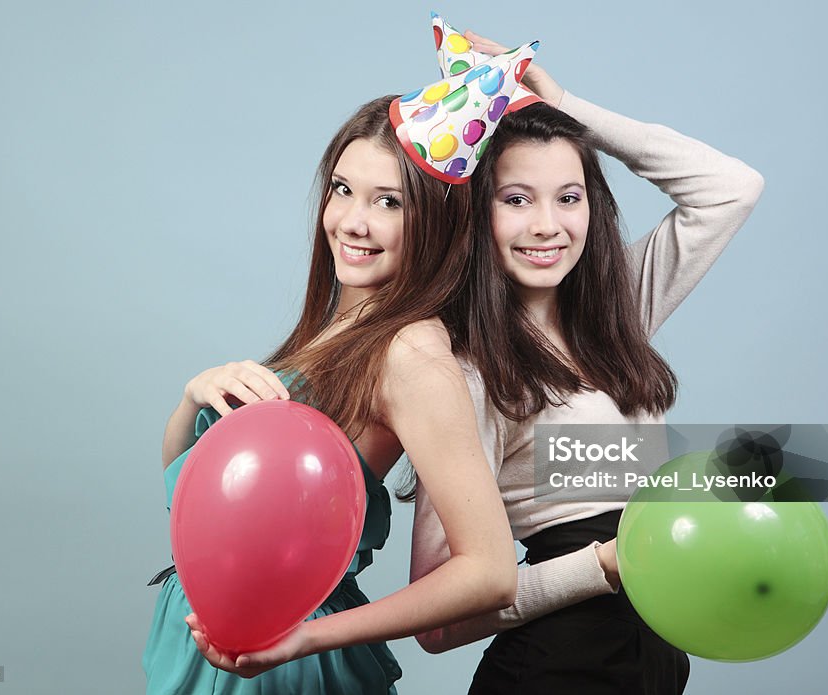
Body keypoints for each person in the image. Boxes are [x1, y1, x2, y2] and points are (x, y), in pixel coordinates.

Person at [410, 31, 765, 695]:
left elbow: (731, 189)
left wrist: (568, 108)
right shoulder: (461, 371)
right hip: (555, 669)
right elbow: (436, 616)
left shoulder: (618, 308)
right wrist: (602, 564)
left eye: (568, 196)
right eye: (516, 199)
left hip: (654, 660)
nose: (548, 224)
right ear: (477, 213)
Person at [143, 95, 518, 695]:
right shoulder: (336, 327)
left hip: (283, 658)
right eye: (342, 189)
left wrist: (306, 638)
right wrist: (195, 397)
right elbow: (184, 488)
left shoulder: (411, 352)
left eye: (388, 202)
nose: (351, 221)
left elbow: (492, 572)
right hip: (206, 631)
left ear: (437, 222)